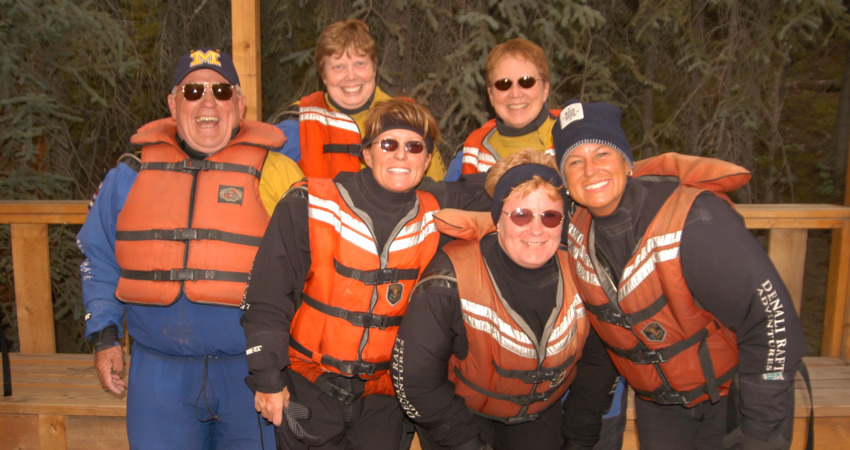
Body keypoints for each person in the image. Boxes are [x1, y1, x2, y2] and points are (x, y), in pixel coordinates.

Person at [77, 47, 304, 449]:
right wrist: (105, 335)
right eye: (194, 90)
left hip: (250, 374)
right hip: (159, 377)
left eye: (220, 89)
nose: (208, 103)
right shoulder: (131, 173)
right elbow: (99, 254)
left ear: (239, 101)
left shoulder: (278, 173)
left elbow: (310, 270)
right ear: (172, 102)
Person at [552, 99, 807, 449]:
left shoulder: (695, 220)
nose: (589, 170)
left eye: (602, 154)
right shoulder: (576, 234)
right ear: (564, 180)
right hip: (660, 405)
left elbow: (772, 319)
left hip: (736, 396)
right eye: (574, 162)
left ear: (627, 163)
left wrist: (760, 429)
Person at [241, 98, 490, 449]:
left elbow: (510, 195)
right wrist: (267, 378)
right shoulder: (309, 205)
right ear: (367, 153)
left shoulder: (439, 210)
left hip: (384, 404)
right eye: (388, 143)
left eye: (414, 146)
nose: (401, 155)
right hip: (308, 391)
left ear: (428, 159)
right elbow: (267, 298)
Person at [392, 149, 619, 449]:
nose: (536, 229)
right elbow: (417, 380)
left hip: (538, 416)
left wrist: (579, 438)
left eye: (550, 216)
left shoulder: (580, 273)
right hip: (458, 417)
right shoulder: (449, 278)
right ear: (498, 219)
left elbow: (598, 365)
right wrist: (467, 444)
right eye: (521, 215)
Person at [273, 18, 446, 181]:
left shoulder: (408, 119)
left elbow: (439, 193)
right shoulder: (298, 122)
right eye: (338, 66)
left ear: (374, 68)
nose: (351, 76)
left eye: (360, 63)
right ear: (324, 75)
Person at [444, 38, 557, 181]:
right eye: (503, 84)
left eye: (527, 81)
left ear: (545, 89)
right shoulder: (474, 149)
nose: (515, 94)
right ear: (491, 94)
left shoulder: (570, 137)